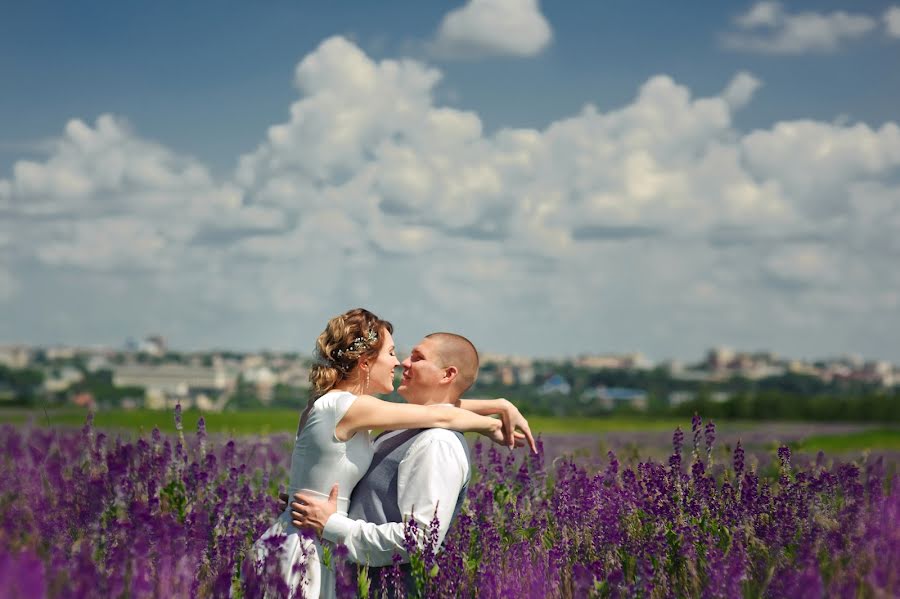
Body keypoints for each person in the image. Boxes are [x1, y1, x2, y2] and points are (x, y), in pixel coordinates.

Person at [247, 309, 531, 598]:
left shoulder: (351, 407)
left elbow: (431, 412)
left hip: (318, 543)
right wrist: (492, 422)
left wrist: (499, 405)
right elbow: (440, 416)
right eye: (393, 352)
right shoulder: (346, 407)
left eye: (413, 357)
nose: (399, 361)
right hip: (306, 549)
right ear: (366, 362)